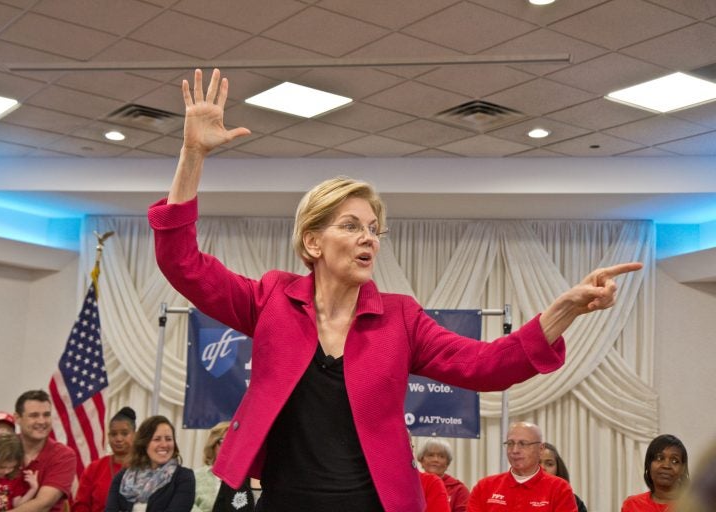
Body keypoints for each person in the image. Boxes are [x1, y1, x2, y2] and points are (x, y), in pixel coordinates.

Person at [148, 67, 642, 512]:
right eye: (351, 225)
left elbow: (488, 366)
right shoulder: (272, 299)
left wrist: (563, 311)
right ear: (313, 241)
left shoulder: (400, 318)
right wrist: (192, 154)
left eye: (373, 228)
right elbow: (182, 263)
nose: (368, 237)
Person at [0, 391, 76, 512]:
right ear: (17, 418)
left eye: (46, 415)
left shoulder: (64, 455)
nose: (42, 421)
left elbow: (43, 504)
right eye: (34, 415)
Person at [467, 422, 577, 511]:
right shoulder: (485, 487)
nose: (515, 450)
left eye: (523, 444)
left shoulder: (559, 489)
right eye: (510, 443)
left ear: (541, 449)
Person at [104, 415, 194, 512]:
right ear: (144, 443)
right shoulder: (122, 477)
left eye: (168, 439)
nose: (164, 445)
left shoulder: (184, 477)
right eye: (157, 439)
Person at [73, 407, 137, 512]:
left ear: (135, 435)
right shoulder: (94, 468)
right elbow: (80, 506)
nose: (118, 439)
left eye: (124, 433)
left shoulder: (146, 467)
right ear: (108, 436)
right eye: (114, 434)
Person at [192, 421, 254, 512]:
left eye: (233, 442)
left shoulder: (246, 479)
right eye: (224, 442)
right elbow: (185, 506)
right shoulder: (195, 477)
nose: (230, 447)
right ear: (213, 445)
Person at [622, 434, 689, 511]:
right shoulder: (632, 505)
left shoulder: (694, 507)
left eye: (674, 461)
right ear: (648, 464)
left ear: (682, 469)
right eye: (659, 458)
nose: (666, 466)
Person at [418, 439, 470, 512]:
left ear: (447, 463)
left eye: (441, 456)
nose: (435, 459)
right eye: (430, 455)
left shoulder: (459, 490)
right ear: (421, 460)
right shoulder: (413, 485)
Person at [539, 442, 587, 512]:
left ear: (558, 468)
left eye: (549, 464)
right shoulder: (519, 497)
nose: (542, 468)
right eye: (537, 463)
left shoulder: (574, 502)